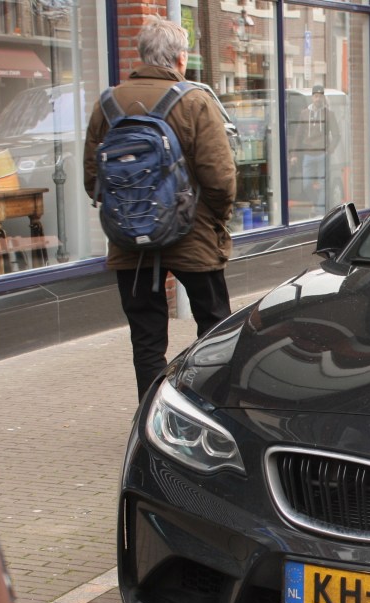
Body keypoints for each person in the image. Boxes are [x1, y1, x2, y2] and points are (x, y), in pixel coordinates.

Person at [83, 17, 236, 402]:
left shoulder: (108, 103)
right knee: (215, 330)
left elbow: (92, 177)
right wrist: (216, 219)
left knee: (146, 339)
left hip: (129, 238)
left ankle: (151, 418)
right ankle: (207, 410)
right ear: (180, 59)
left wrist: (128, 212)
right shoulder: (195, 101)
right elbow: (219, 176)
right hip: (193, 235)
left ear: (142, 55)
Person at [292, 84, 341, 212]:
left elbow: (337, 135)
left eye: (320, 96)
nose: (317, 99)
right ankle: (317, 204)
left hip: (322, 155)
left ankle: (320, 214)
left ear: (323, 97)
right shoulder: (304, 114)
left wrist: (330, 150)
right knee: (306, 185)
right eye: (315, 96)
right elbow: (298, 135)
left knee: (323, 185)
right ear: (312, 97)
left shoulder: (329, 114)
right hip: (308, 155)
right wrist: (294, 155)